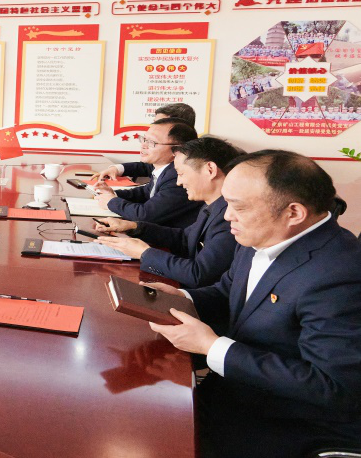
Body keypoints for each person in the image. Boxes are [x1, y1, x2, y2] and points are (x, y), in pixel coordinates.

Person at [145, 150, 361, 458]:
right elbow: (228, 291)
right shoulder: (262, 235)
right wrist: (183, 297)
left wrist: (212, 347)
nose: (227, 216)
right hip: (232, 390)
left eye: (239, 207)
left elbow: (332, 386)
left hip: (289, 421)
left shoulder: (340, 275)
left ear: (294, 213)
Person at [95, 136, 242, 288]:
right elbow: (184, 238)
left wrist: (144, 253)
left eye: (181, 174)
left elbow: (198, 274)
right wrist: (134, 227)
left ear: (210, 170)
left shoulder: (231, 217)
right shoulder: (212, 204)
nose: (178, 182)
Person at [93, 117, 202, 227]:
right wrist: (112, 194)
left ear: (177, 149)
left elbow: (145, 215)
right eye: (144, 139)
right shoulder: (164, 169)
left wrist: (112, 202)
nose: (143, 145)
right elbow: (146, 192)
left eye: (152, 142)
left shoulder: (178, 177)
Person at [94, 102, 195, 181]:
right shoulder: (162, 158)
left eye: (161, 122)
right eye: (155, 122)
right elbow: (147, 167)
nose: (154, 126)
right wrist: (116, 169)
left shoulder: (184, 168)